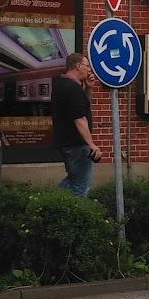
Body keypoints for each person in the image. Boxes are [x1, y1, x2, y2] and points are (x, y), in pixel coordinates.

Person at [51, 52, 103, 196]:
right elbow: (80, 118)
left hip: (64, 142)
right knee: (81, 186)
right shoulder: (73, 89)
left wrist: (88, 88)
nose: (89, 70)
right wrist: (91, 145)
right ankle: (77, 214)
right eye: (87, 66)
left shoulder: (60, 84)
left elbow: (82, 107)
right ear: (78, 66)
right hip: (76, 144)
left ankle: (50, 201)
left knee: (74, 179)